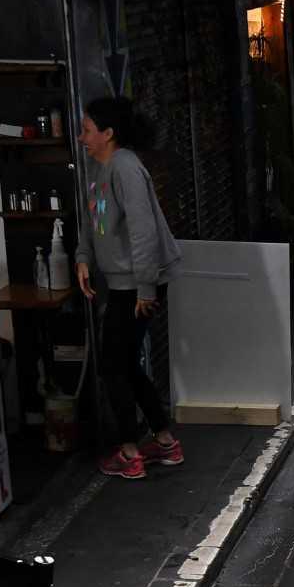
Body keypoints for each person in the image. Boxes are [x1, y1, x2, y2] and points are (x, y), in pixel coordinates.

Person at [75, 97, 186, 479]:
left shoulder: (125, 168)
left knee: (113, 366)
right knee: (124, 363)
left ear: (109, 133)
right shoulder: (96, 167)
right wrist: (83, 257)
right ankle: (165, 441)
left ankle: (128, 452)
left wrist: (145, 291)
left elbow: (144, 232)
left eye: (87, 129)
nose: (81, 137)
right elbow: (92, 222)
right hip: (126, 283)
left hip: (139, 284)